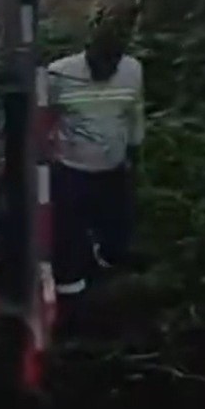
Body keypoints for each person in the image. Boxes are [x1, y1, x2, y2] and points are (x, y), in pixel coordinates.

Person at [47, 21, 144, 301]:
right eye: (98, 62)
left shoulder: (132, 71)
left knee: (117, 232)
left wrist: (134, 151)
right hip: (72, 169)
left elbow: (133, 113)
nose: (105, 70)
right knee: (69, 234)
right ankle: (70, 295)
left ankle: (106, 273)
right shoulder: (60, 74)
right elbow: (44, 116)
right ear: (86, 54)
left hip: (113, 169)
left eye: (111, 63)